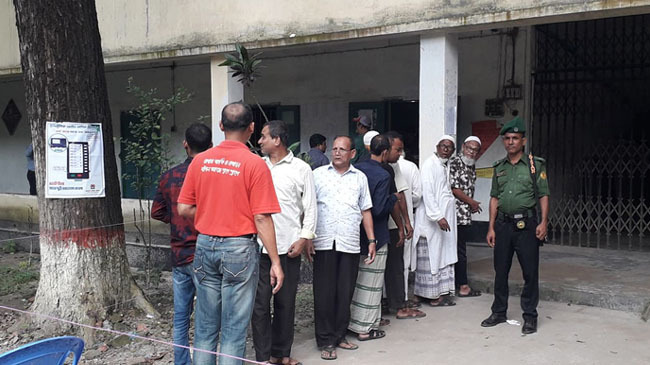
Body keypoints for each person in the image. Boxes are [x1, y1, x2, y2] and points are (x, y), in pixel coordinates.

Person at [177, 102, 284, 365]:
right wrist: (275, 262)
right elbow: (261, 217)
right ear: (251, 128)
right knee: (234, 331)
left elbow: (183, 208)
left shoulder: (200, 161)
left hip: (204, 247)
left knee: (204, 328)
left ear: (221, 126)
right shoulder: (255, 164)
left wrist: (210, 213)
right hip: (239, 249)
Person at [253, 120, 317, 365]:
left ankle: (281, 354)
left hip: (289, 248)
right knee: (259, 306)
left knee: (285, 304)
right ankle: (263, 356)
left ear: (277, 140)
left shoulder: (301, 168)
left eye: (263, 137)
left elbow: (310, 208)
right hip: (259, 248)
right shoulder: (257, 166)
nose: (259, 141)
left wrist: (304, 238)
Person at [481, 116, 549, 335]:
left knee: (530, 272)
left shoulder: (534, 165)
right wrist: (491, 227)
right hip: (502, 225)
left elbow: (544, 195)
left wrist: (543, 222)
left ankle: (530, 316)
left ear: (523, 141)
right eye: (507, 138)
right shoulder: (498, 167)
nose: (511, 142)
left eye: (515, 138)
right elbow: (493, 198)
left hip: (527, 226)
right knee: (500, 271)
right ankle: (499, 312)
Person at [151, 123, 212, 365]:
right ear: (210, 146)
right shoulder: (211, 176)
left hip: (179, 255)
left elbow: (156, 212)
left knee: (180, 317)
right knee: (207, 318)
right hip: (206, 254)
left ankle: (181, 362)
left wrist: (176, 218)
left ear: (185, 144)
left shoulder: (169, 176)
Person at [312, 135, 375, 361]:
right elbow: (308, 209)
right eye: (334, 148)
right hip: (323, 242)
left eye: (342, 149)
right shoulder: (317, 176)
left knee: (344, 291)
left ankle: (339, 335)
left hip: (349, 242)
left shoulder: (360, 178)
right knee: (324, 292)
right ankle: (326, 339)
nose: (337, 152)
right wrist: (307, 237)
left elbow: (365, 210)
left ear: (352, 154)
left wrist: (371, 240)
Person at [348, 134, 398, 342]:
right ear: (385, 152)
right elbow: (376, 210)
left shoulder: (357, 168)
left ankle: (358, 320)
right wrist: (392, 198)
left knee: (357, 280)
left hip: (355, 232)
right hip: (376, 234)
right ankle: (364, 328)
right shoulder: (384, 175)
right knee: (372, 282)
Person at [412, 135, 458, 307]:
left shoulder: (444, 165)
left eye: (449, 147)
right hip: (431, 221)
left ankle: (429, 294)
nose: (446, 149)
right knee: (430, 257)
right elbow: (428, 193)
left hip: (443, 220)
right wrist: (438, 216)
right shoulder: (429, 165)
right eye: (443, 146)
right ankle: (431, 297)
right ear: (437, 147)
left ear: (453, 152)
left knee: (439, 255)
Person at [384, 131, 424, 319]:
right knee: (395, 266)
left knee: (389, 267)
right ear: (386, 148)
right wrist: (405, 223)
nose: (400, 153)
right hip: (390, 225)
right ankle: (399, 306)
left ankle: (389, 304)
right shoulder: (387, 169)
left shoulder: (394, 166)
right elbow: (398, 198)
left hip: (386, 225)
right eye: (397, 149)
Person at [449, 136, 483, 298]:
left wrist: (471, 205)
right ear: (463, 147)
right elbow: (454, 188)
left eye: (475, 150)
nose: (471, 152)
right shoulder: (455, 163)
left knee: (459, 249)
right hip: (453, 214)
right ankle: (462, 286)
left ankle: (459, 284)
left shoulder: (471, 165)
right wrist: (472, 202)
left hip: (464, 216)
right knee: (459, 251)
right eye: (469, 148)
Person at [396, 151, 421, 302]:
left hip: (386, 220)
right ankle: (403, 298)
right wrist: (410, 203)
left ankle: (386, 298)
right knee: (404, 262)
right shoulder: (410, 166)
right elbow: (418, 195)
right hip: (405, 220)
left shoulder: (384, 166)